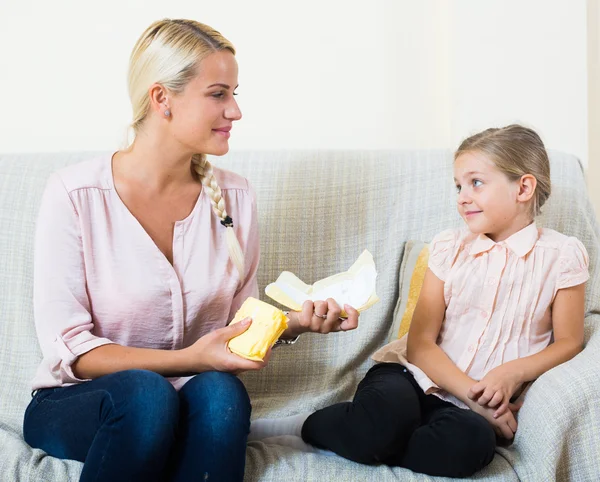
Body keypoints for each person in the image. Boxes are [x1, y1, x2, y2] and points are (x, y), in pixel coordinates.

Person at [22, 18, 359, 482]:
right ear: (162, 99)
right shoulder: (74, 196)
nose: (236, 111)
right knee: (147, 395)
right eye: (218, 94)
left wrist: (295, 323)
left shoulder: (236, 198)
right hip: (83, 402)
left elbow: (237, 323)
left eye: (236, 93)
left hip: (189, 402)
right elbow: (73, 352)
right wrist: (191, 360)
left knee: (222, 394)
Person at [249, 124, 589, 478]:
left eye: (476, 183)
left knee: (471, 446)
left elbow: (569, 341)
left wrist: (511, 373)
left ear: (523, 187)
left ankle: (368, 439)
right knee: (382, 422)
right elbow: (420, 344)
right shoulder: (450, 247)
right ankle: (307, 428)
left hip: (470, 412)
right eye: (458, 185)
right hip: (409, 375)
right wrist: (474, 396)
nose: (462, 197)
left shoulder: (562, 256)